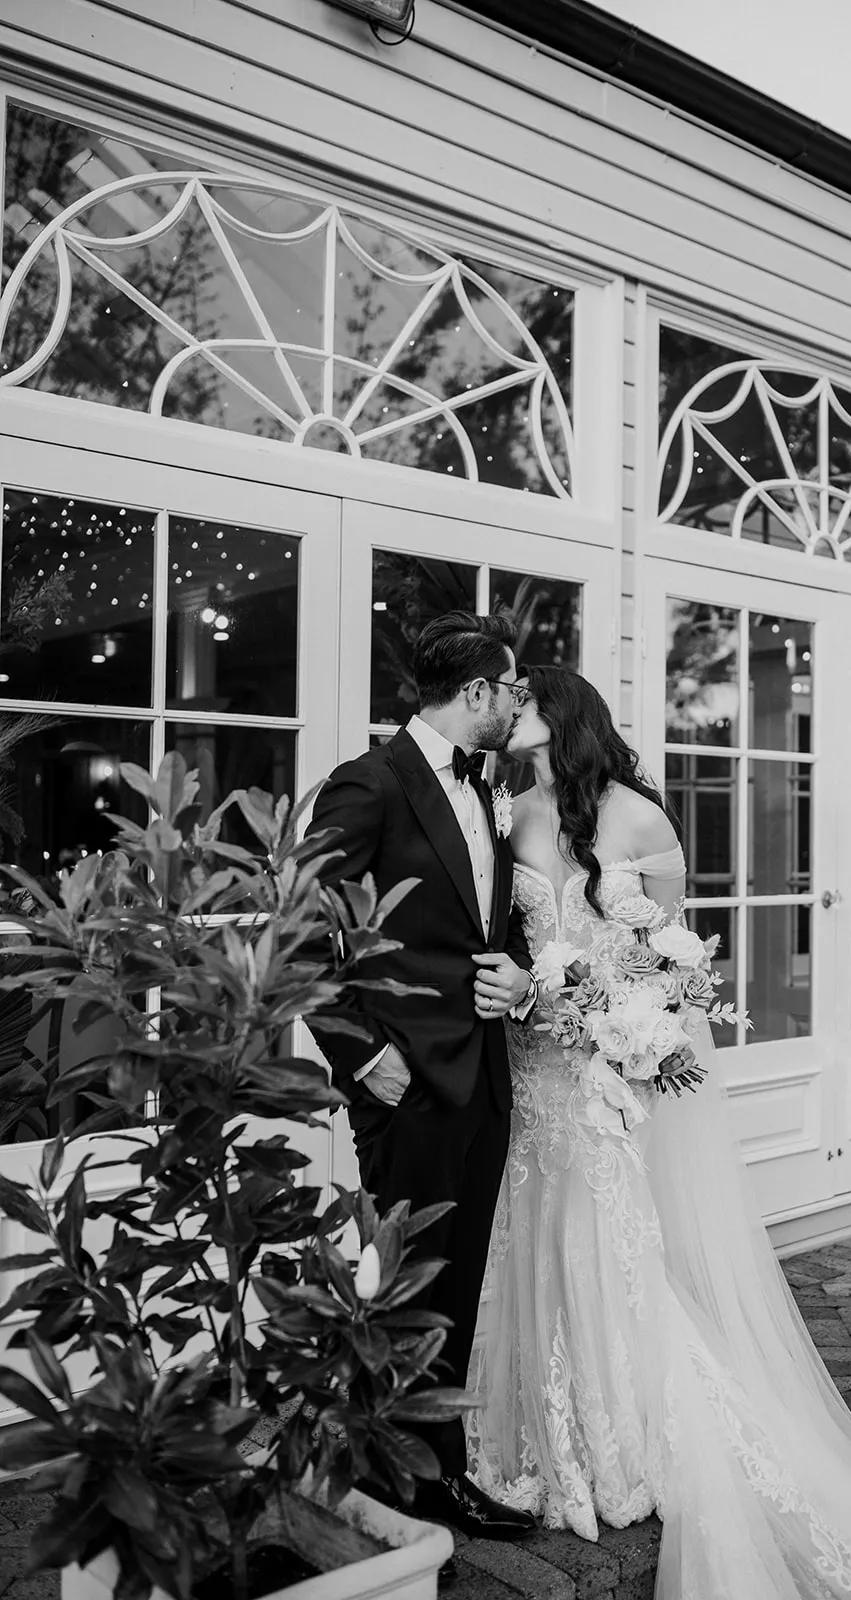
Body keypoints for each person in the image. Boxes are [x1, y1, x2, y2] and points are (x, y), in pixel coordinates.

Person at [467, 663, 851, 1599]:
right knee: (534, 1232)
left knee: (601, 1237)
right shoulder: (507, 810)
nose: (511, 712)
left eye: (527, 700)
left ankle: (624, 1442)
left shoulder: (635, 817)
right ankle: (545, 1435)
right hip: (527, 1065)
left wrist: (614, 1022)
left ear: (562, 715)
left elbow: (661, 956)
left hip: (593, 1065)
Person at [307, 611, 538, 1541]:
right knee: (399, 1293)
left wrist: (516, 981)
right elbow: (296, 928)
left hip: (481, 1076)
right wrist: (363, 1054)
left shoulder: (488, 788)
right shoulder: (370, 782)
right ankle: (389, 1499)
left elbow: (486, 926)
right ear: (476, 692)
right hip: (406, 1084)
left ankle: (431, 1480)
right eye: (511, 687)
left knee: (454, 1284)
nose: (518, 701)